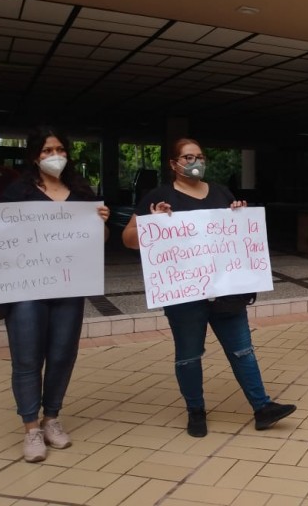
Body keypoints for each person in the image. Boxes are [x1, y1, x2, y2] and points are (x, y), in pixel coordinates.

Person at [122, 138, 295, 437]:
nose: (195, 162)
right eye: (188, 157)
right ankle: (196, 411)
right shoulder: (159, 197)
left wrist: (240, 213)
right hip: (184, 294)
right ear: (173, 164)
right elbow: (128, 238)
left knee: (243, 351)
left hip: (226, 290)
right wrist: (152, 222)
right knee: (189, 355)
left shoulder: (220, 192)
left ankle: (262, 407)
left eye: (199, 156)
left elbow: (234, 234)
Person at [0, 126, 110, 463]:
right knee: (28, 357)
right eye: (47, 150)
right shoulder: (18, 192)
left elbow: (99, 239)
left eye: (59, 149)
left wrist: (102, 223)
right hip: (26, 289)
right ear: (35, 156)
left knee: (62, 354)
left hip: (70, 287)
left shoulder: (81, 192)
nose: (54, 155)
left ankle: (52, 419)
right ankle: (31, 428)